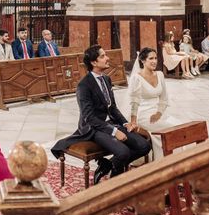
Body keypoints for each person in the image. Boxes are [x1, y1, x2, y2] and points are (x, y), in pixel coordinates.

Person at [51, 45, 151, 182]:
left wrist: (125, 123)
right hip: (92, 128)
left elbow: (112, 108)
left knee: (144, 145)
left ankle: (108, 165)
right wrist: (114, 131)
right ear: (94, 62)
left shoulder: (106, 79)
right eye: (103, 56)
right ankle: (113, 185)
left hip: (108, 124)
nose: (107, 58)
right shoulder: (84, 86)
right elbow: (89, 117)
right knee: (123, 152)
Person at [129, 48, 180, 158]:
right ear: (143, 61)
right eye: (151, 58)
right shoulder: (136, 78)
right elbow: (134, 102)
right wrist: (133, 121)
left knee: (180, 126)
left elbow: (164, 98)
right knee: (172, 129)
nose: (154, 61)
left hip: (158, 113)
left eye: (156, 58)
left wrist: (159, 113)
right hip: (143, 115)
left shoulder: (160, 74)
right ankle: (171, 159)